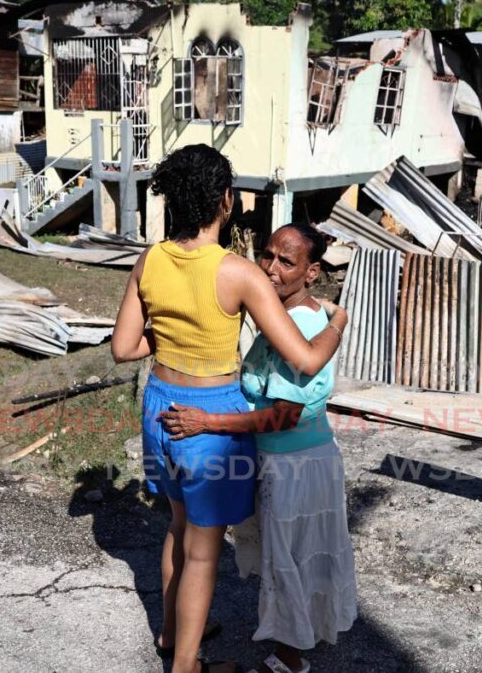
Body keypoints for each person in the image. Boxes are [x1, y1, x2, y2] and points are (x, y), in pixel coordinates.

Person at [111, 144, 348, 673]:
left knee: (175, 527)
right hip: (209, 417)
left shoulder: (149, 259)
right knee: (202, 548)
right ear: (225, 199)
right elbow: (307, 359)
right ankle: (187, 666)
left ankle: (172, 637)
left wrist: (173, 332)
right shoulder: (240, 273)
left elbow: (125, 347)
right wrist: (337, 322)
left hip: (158, 405)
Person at [160, 223, 357, 673]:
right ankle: (289, 649)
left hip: (298, 465)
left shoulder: (304, 324)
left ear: (312, 273)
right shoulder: (277, 317)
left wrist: (208, 421)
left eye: (287, 262)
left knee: (293, 562)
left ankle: (289, 661)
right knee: (283, 558)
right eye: (268, 255)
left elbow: (285, 414)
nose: (270, 268)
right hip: (276, 460)